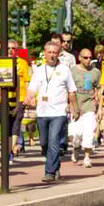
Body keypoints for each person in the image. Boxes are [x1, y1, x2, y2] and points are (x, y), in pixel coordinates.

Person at [25, 41, 79, 183]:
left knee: (54, 141)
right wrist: (28, 98)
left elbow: (72, 91)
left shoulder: (64, 70)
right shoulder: (39, 70)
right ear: (45, 53)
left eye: (55, 52)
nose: (52, 55)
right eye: (49, 52)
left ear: (58, 54)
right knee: (44, 143)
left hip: (59, 112)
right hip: (42, 113)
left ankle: (49, 172)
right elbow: (32, 88)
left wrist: (75, 108)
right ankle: (55, 166)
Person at [69, 48, 100, 167]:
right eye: (85, 58)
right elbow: (68, 89)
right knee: (75, 134)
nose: (88, 60)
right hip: (75, 105)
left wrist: (98, 98)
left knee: (89, 132)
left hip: (89, 106)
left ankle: (87, 157)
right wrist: (70, 105)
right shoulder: (72, 71)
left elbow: (99, 87)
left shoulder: (95, 72)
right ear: (80, 58)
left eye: (90, 58)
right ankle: (76, 147)